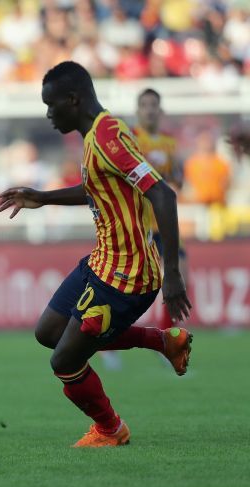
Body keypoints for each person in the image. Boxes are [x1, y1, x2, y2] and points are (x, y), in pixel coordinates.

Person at [0, 61, 193, 448]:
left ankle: (110, 428)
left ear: (73, 99)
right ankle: (163, 341)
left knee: (65, 361)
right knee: (48, 332)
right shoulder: (94, 139)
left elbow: (163, 194)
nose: (49, 115)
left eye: (52, 105)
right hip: (103, 262)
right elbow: (98, 189)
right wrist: (44, 196)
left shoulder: (109, 137)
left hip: (129, 276)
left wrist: (172, 273)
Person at [100, 88, 187, 371]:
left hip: (162, 224)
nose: (149, 110)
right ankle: (104, 340)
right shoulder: (129, 138)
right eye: (144, 105)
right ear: (137, 111)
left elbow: (175, 180)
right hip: (135, 226)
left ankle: (164, 343)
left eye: (154, 105)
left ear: (160, 111)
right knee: (125, 289)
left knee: (178, 275)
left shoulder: (169, 144)